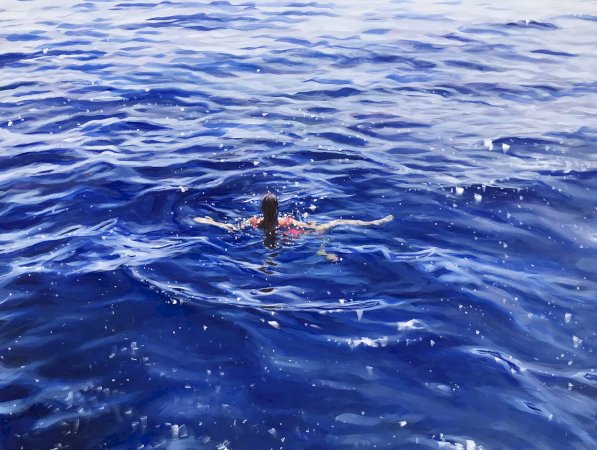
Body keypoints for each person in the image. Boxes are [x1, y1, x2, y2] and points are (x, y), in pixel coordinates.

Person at [193, 192, 393, 235]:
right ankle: (373, 224)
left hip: (266, 238)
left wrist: (211, 221)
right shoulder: (286, 221)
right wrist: (312, 226)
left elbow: (232, 228)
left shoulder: (255, 222)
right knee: (337, 222)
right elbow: (307, 228)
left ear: (261, 209)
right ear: (278, 208)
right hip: (288, 236)